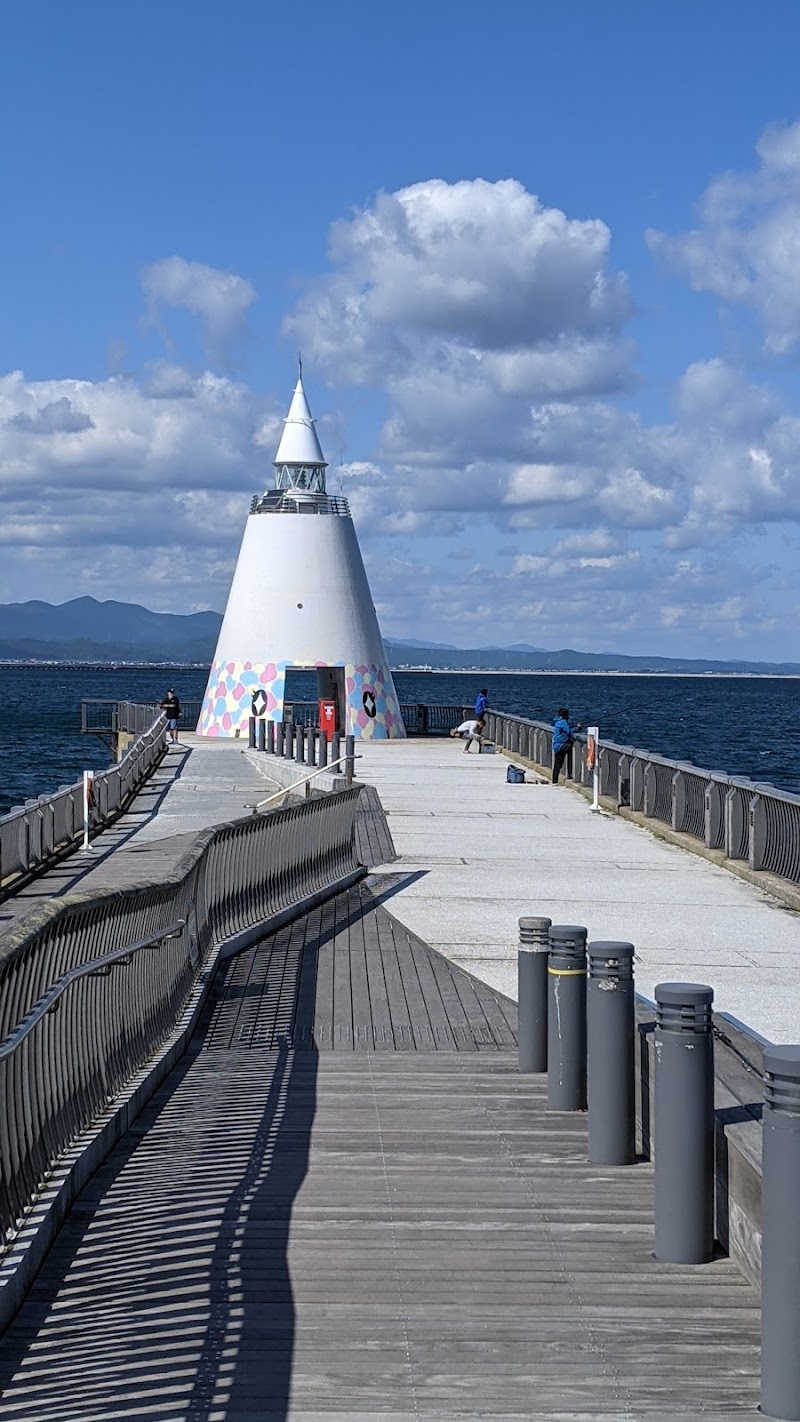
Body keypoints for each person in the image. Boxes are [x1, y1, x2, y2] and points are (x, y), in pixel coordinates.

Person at [552, 706, 583, 783]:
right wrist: (577, 728)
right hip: (561, 745)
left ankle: (554, 780)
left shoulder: (557, 722)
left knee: (558, 764)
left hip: (556, 746)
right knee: (570, 750)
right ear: (565, 715)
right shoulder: (563, 722)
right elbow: (569, 731)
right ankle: (570, 773)